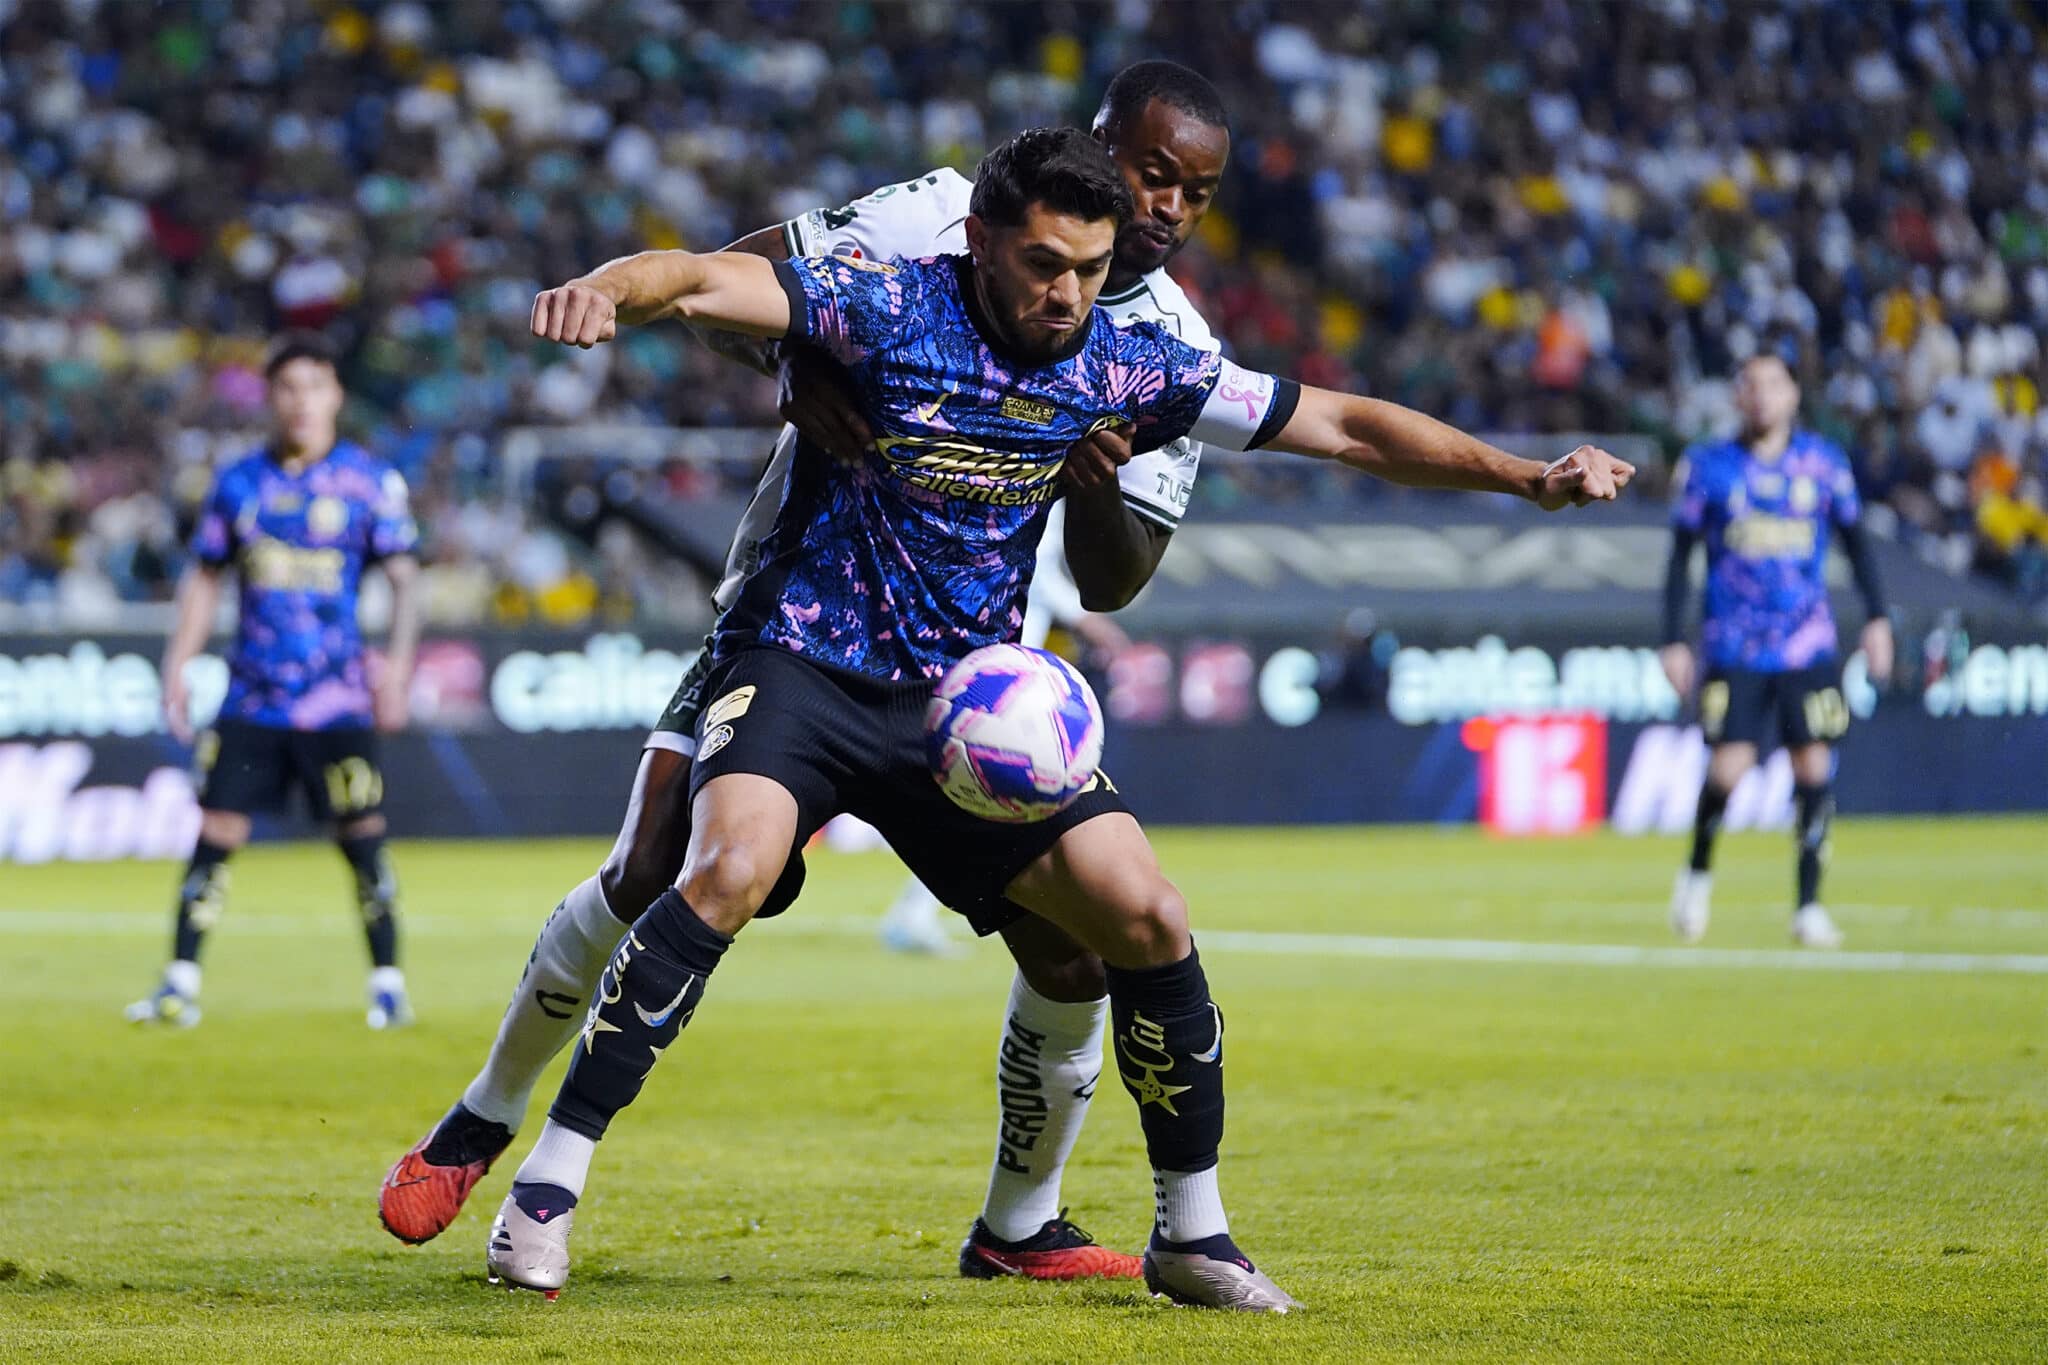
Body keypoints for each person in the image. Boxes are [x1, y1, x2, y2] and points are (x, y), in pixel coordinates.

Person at [486, 126, 1633, 1311]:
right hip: (806, 663)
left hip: (962, 703)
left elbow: (1343, 426)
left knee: (1146, 913)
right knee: (723, 867)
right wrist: (605, 290)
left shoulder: (1130, 363)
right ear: (979, 242)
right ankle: (546, 1189)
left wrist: (1522, 473)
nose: (1065, 292)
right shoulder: (880, 304)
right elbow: (697, 274)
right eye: (1041, 264)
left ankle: (1192, 1236)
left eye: (1086, 268)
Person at [382, 62, 1229, 1285]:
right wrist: (803, 372)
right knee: (655, 860)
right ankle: (485, 1114)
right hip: (796, 610)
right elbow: (733, 279)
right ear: (1093, 149)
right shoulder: (930, 215)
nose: (1164, 208)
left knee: (1074, 950)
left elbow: (1115, 581)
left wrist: (1086, 480)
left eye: (1192, 193)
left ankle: (1018, 1225)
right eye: (1148, 173)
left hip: (955, 672)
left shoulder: (1174, 349)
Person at [126, 333, 422, 1029]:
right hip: (253, 696)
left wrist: (398, 669)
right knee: (217, 830)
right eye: (288, 388)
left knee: (362, 834)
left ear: (335, 396)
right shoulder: (239, 483)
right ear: (271, 398)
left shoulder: (368, 482)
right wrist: (177, 663)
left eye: (314, 386)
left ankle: (387, 983)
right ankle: (179, 981)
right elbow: (204, 578)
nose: (302, 402)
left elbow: (407, 580)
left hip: (337, 697)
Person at [1662, 352, 1894, 948]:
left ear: (1793, 394)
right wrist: (1671, 638)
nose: (1762, 396)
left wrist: (1876, 618)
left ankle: (1809, 906)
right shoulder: (1710, 466)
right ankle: (1696, 872)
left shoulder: (1822, 463)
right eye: (1751, 385)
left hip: (1807, 641)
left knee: (1814, 767)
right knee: (1728, 770)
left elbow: (1858, 544)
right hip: (1734, 644)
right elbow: (1679, 557)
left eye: (1774, 384)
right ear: (1738, 398)